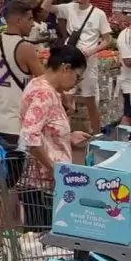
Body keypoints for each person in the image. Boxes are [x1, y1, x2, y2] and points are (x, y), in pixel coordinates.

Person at [19, 45, 90, 200]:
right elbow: (29, 136)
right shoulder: (44, 93)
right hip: (43, 185)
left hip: (45, 182)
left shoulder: (40, 85)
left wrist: (67, 136)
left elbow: (45, 127)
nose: (76, 83)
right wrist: (53, 169)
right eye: (77, 77)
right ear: (66, 68)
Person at [0, 0, 45, 143]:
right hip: (18, 124)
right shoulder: (25, 47)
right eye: (29, 19)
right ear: (19, 20)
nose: (33, 24)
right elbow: (46, 81)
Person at [54, 0, 112, 134]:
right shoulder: (69, 8)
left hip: (88, 64)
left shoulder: (99, 14)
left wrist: (91, 51)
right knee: (65, 100)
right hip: (70, 63)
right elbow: (46, 7)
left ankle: (97, 135)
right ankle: (63, 133)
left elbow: (107, 41)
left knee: (90, 102)